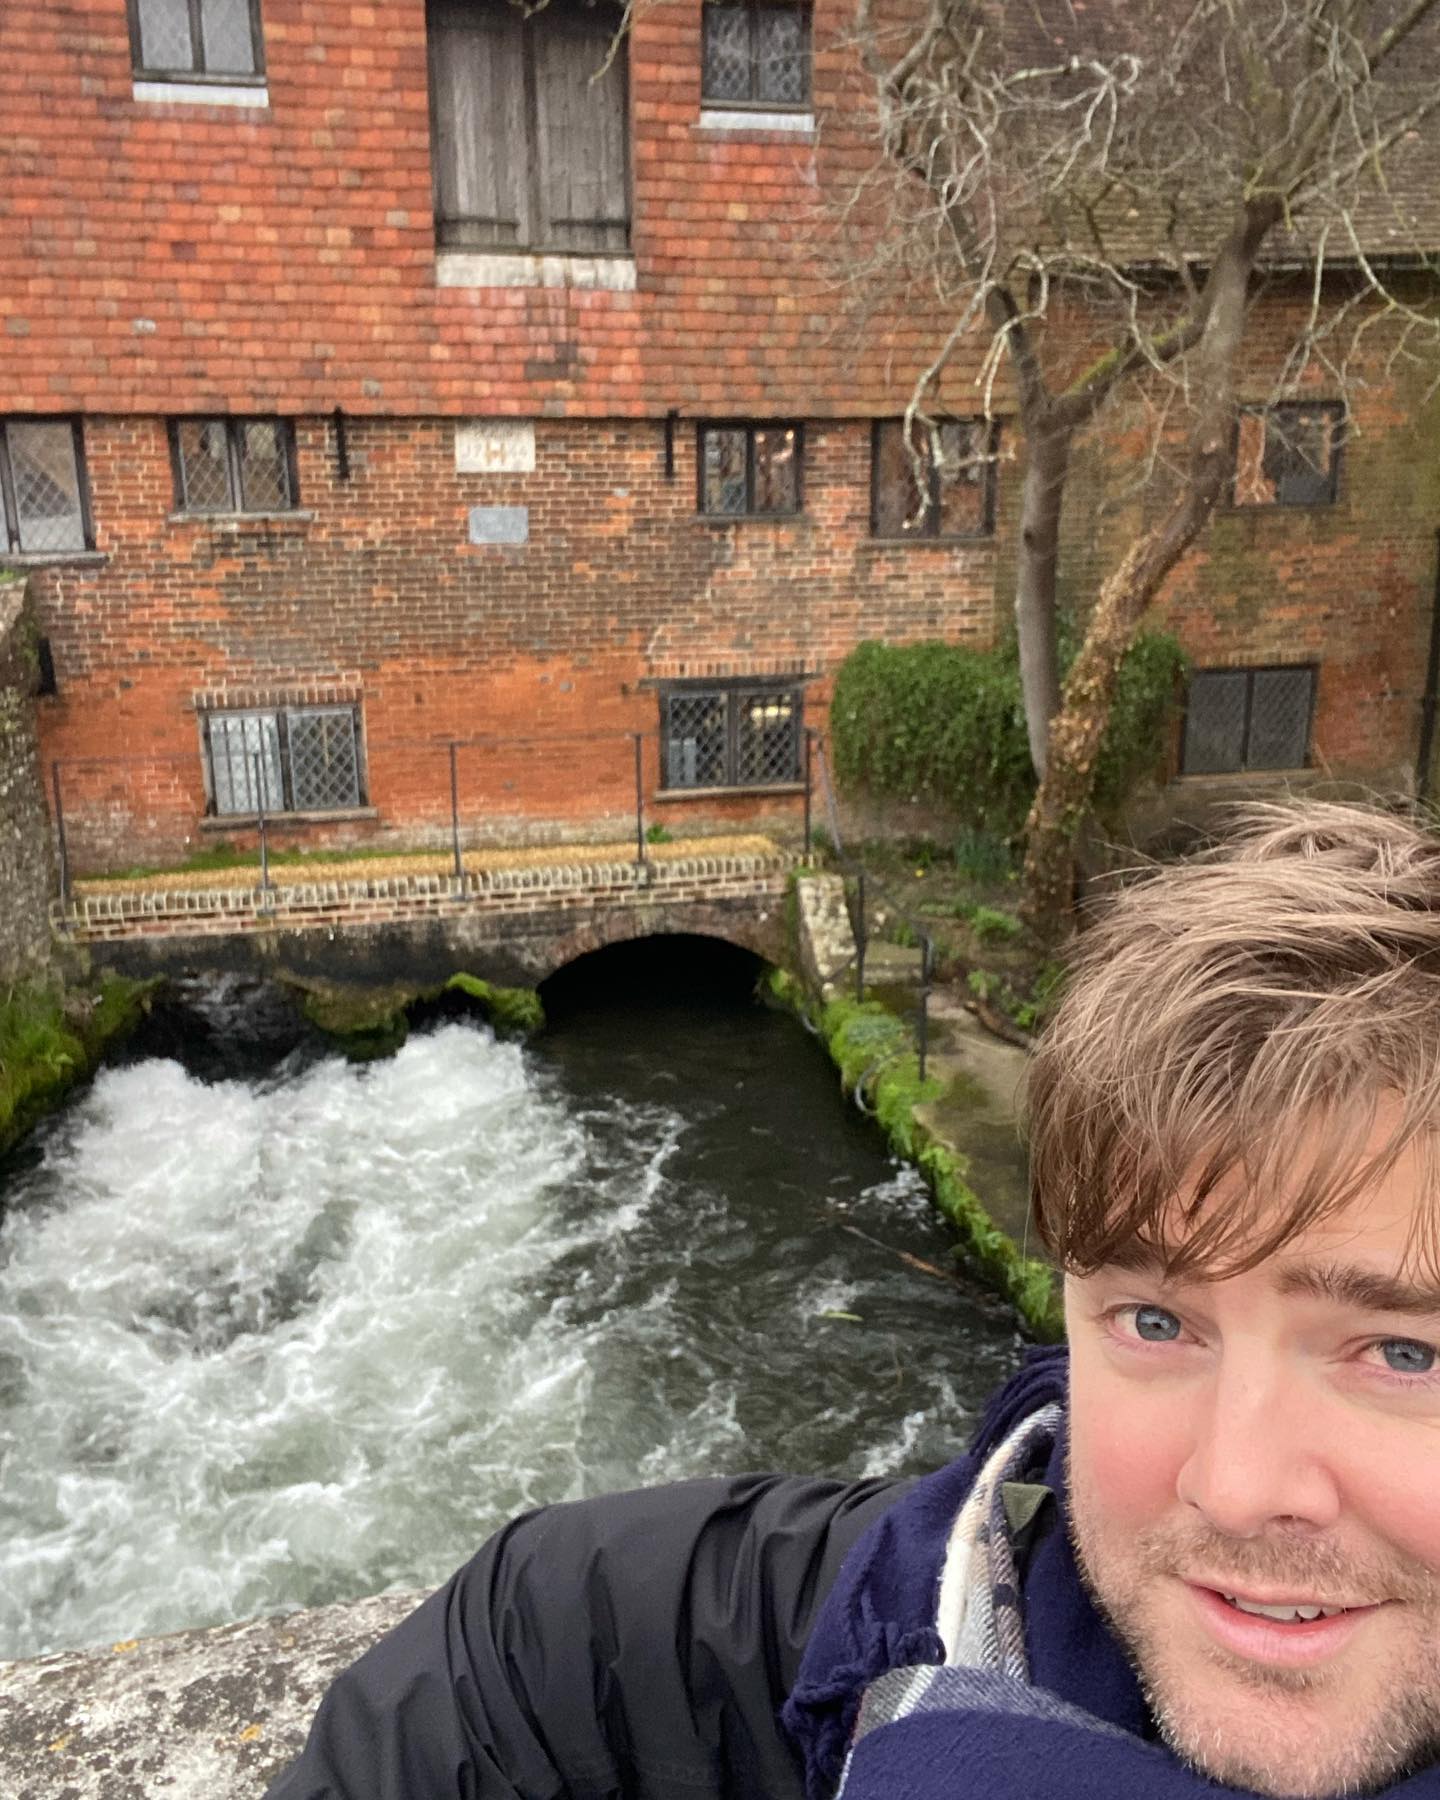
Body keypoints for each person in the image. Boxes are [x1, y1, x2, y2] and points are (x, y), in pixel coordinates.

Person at [266, 799, 1440, 1800]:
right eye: (1155, 1322)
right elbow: (530, 1638)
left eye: (1401, 1352)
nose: (1236, 1487)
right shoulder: (918, 1608)